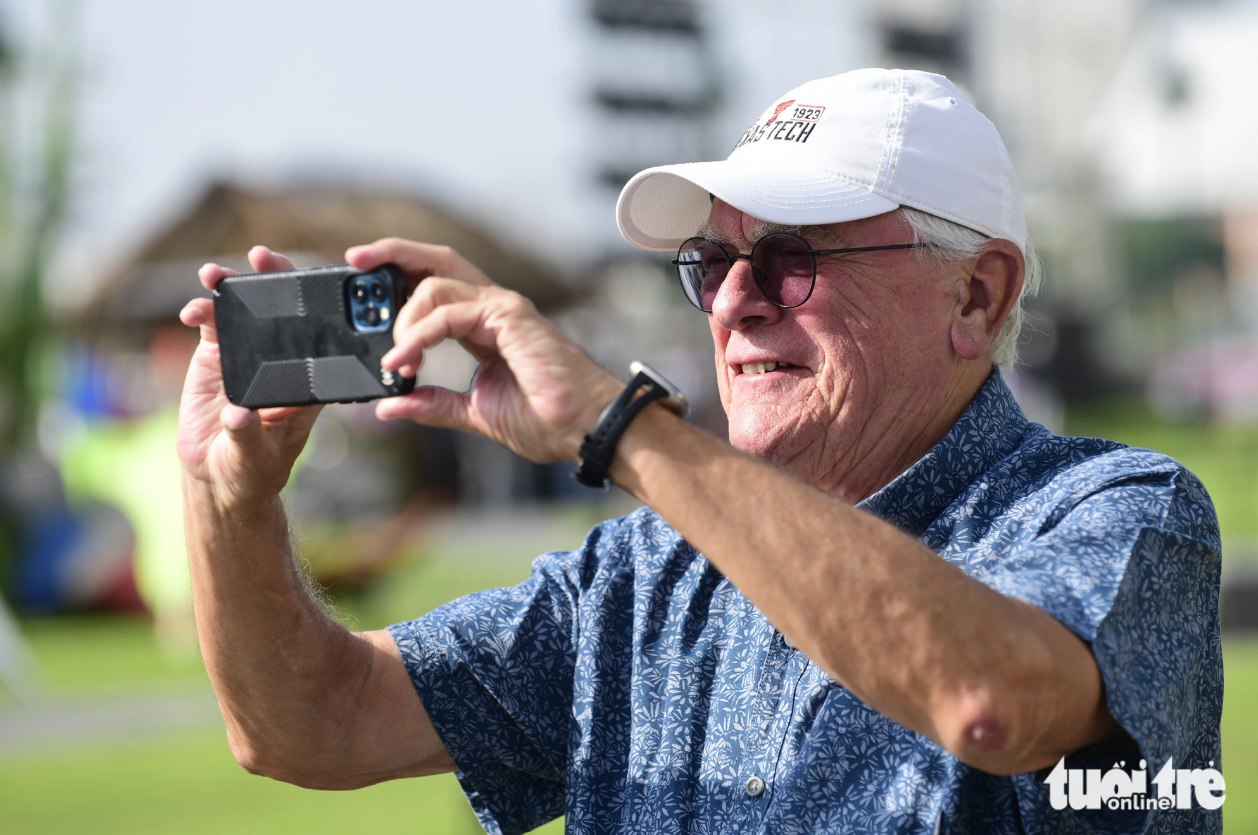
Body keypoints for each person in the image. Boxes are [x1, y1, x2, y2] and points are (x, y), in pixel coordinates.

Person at [177, 70, 1222, 834]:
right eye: (713, 261)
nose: (730, 301)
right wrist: (229, 499)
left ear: (976, 293)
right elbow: (312, 724)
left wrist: (619, 425)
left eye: (788, 259)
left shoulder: (1119, 509)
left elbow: (987, 701)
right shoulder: (641, 572)